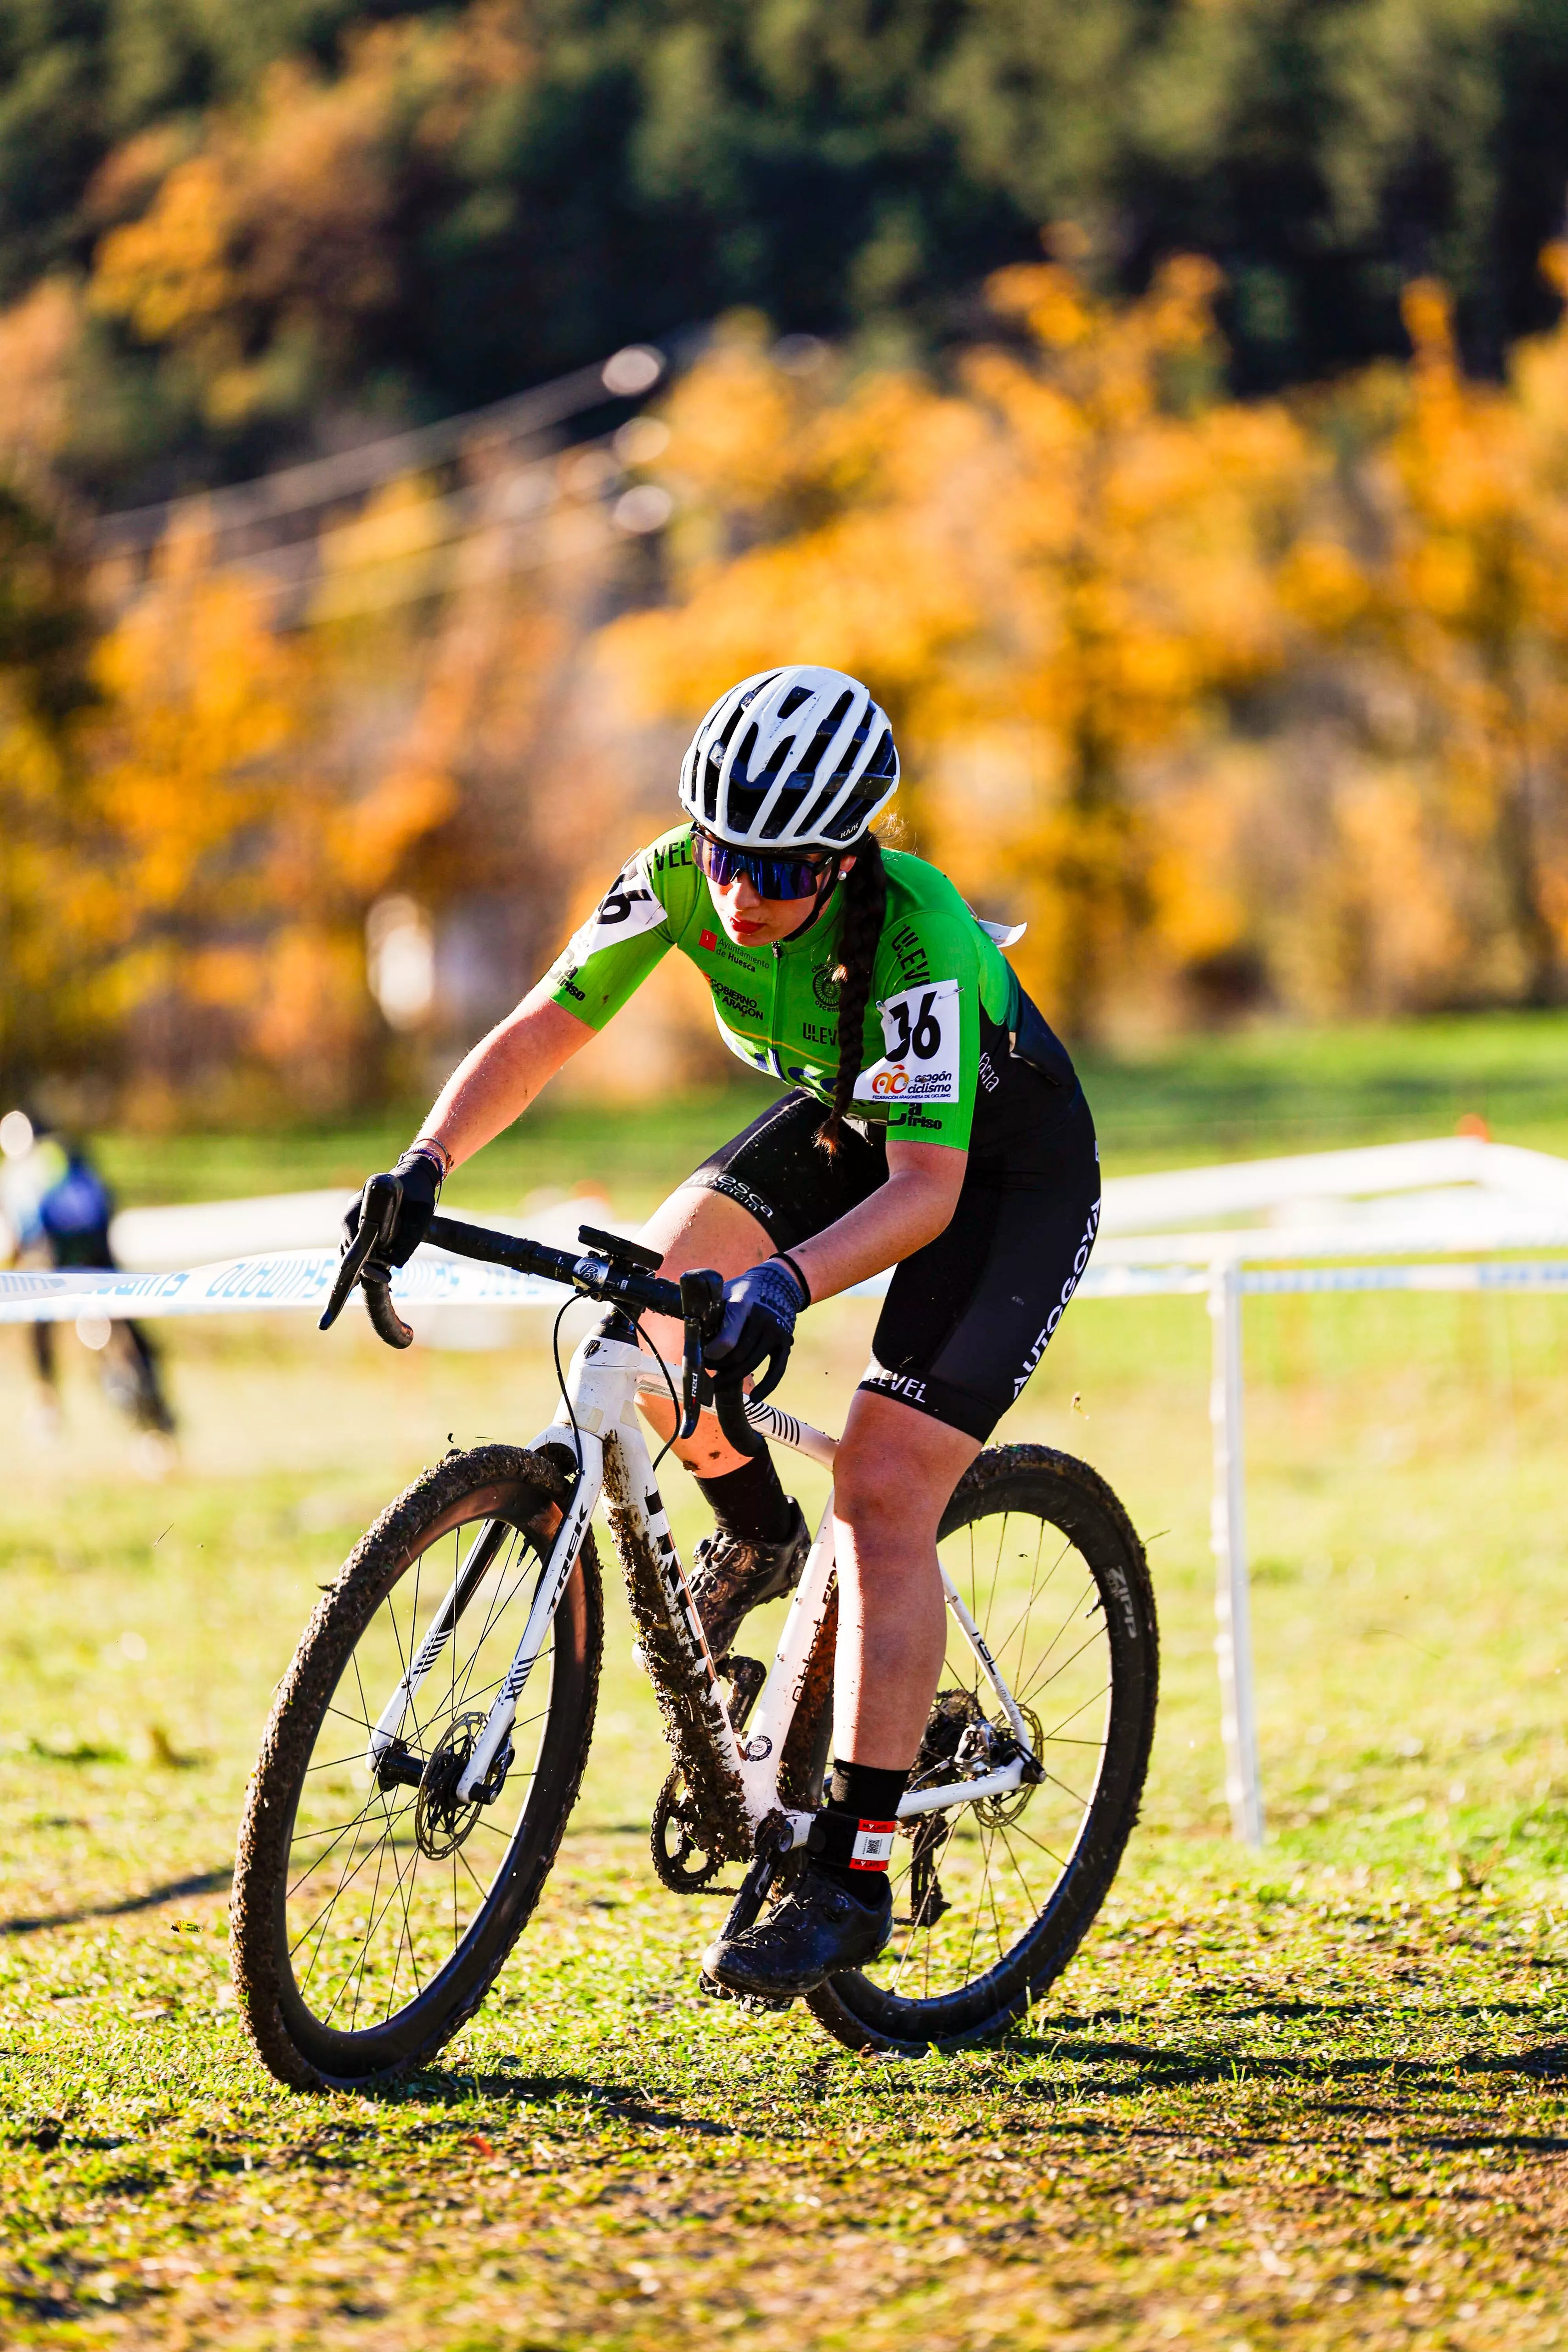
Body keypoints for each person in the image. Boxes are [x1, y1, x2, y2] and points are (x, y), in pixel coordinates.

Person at [344, 665, 1100, 2000]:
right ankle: (754, 1527)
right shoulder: (680, 876)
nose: (741, 891)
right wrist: (424, 1160)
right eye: (722, 851)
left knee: (880, 1484)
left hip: (994, 1177)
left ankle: (850, 1867)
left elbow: (925, 1191)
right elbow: (543, 1027)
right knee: (644, 1309)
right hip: (843, 1117)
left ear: (849, 851)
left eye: (781, 870)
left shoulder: (913, 930)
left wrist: (786, 1286)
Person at [0, 1108, 176, 1438]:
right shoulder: (70, 1155)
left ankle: (47, 1399)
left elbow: (21, 1235)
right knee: (119, 1325)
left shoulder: (21, 1170)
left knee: (42, 1319)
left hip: (56, 1258)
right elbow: (104, 1203)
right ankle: (150, 1404)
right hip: (96, 1254)